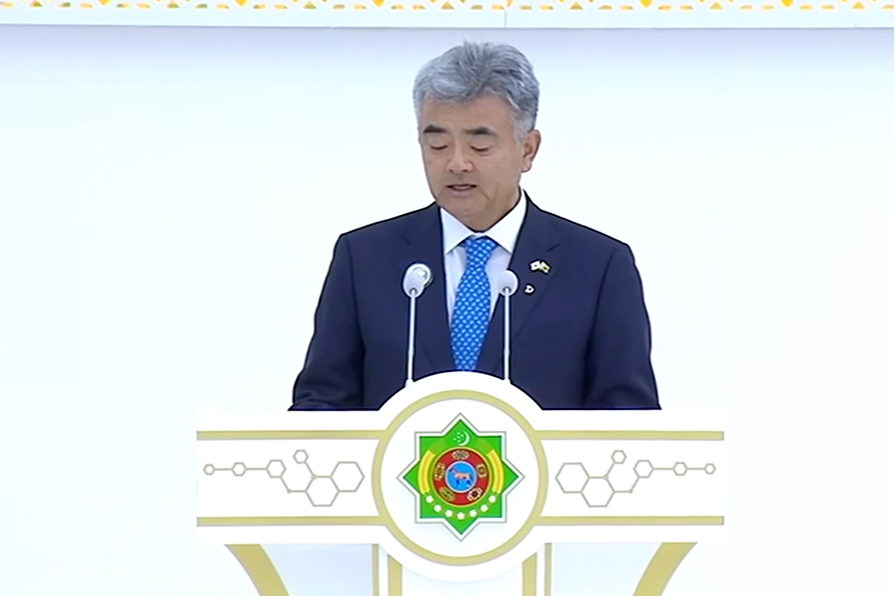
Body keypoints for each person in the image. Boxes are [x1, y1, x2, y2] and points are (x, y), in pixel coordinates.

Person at [289, 41, 659, 411]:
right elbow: (320, 404)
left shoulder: (598, 266)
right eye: (437, 145)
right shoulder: (364, 258)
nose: (457, 164)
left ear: (528, 149)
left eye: (480, 147)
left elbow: (629, 418)